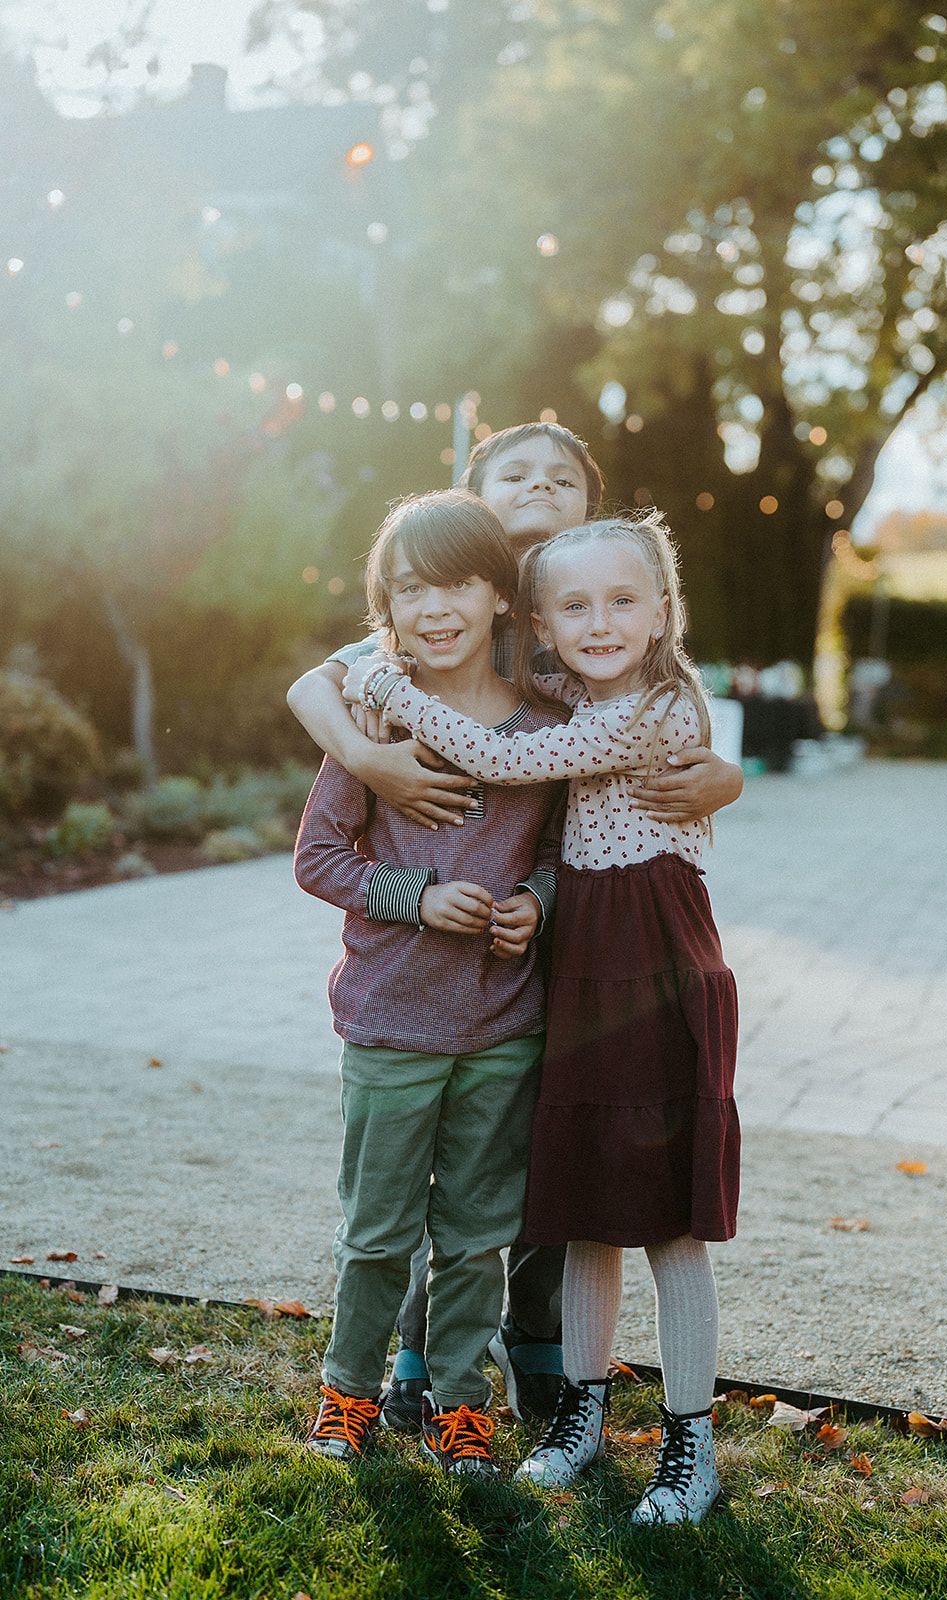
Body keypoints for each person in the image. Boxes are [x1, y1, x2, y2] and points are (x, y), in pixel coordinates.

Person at [287, 422, 743, 1428]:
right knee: (418, 1185)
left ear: (591, 503)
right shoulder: (436, 605)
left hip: (552, 957)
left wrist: (726, 773)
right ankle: (407, 1360)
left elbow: (620, 752)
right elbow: (316, 685)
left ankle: (530, 1350)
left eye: (561, 476)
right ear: (475, 493)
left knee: (525, 1165)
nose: (538, 486)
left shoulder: (586, 613)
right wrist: (375, 760)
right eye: (514, 473)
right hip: (425, 990)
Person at [294, 489, 566, 1477]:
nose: (434, 606)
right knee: (375, 1234)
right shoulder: (372, 719)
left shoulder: (548, 733)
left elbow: (561, 858)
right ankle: (347, 1395)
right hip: (390, 1026)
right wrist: (417, 896)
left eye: (456, 582)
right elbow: (320, 858)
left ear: (499, 595)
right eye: (409, 589)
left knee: (476, 1234)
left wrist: (534, 902)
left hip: (502, 1027)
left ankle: (461, 1408)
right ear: (386, 607)